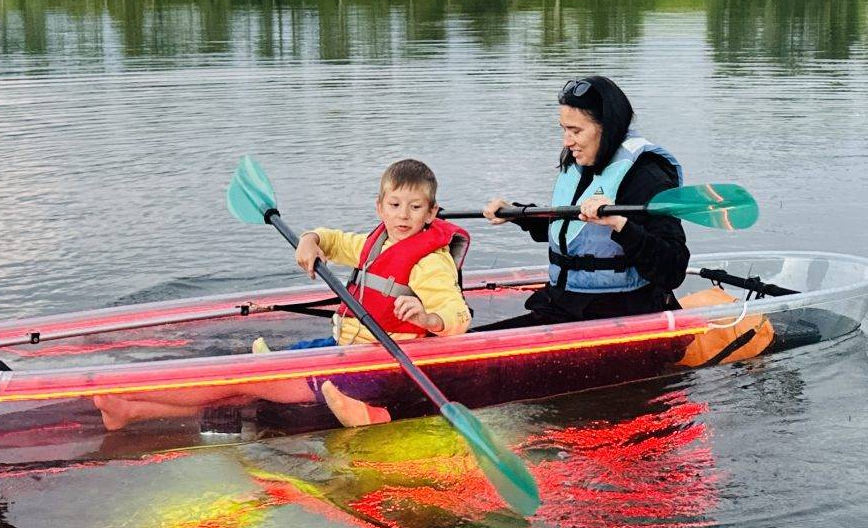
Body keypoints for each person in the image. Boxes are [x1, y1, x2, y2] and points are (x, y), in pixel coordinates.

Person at [267, 157, 472, 426]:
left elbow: (457, 312)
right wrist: (310, 239)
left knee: (336, 382)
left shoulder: (430, 262)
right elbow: (335, 240)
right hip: (351, 345)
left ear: (431, 213)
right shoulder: (376, 243)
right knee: (297, 354)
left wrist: (428, 319)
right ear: (380, 208)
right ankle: (278, 369)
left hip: (389, 360)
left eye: (415, 207)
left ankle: (369, 414)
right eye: (395, 205)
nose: (403, 215)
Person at [481, 75, 688, 326]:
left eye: (575, 131)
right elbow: (571, 229)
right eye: (564, 129)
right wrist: (516, 213)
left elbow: (672, 269)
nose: (567, 142)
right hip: (563, 305)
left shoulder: (647, 176)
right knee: (470, 342)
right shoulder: (582, 162)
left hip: (621, 315)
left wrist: (620, 225)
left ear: (607, 127)